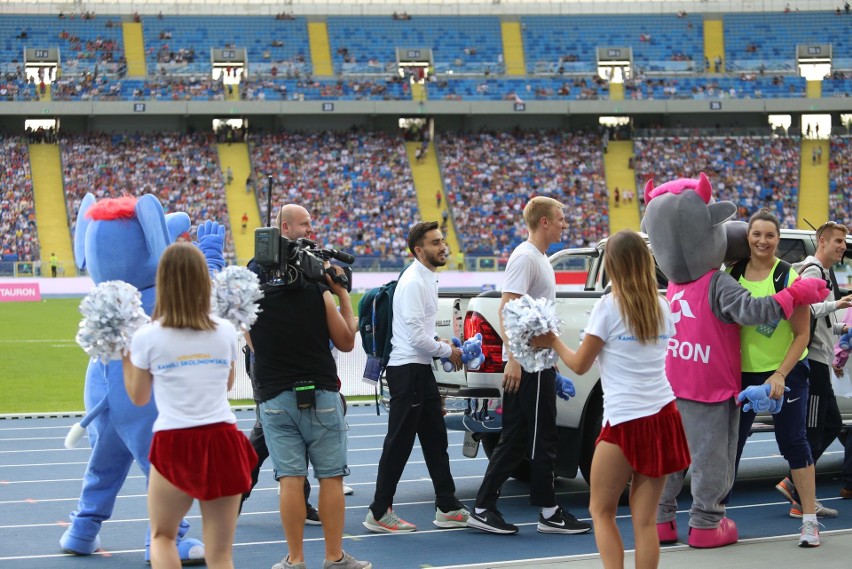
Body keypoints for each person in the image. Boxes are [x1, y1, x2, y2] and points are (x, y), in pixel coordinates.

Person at [531, 229, 690, 569]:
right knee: (645, 521)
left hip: (624, 420)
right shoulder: (662, 305)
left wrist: (553, 341)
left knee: (601, 512)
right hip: (663, 416)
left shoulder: (608, 306)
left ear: (612, 266)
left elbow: (580, 364)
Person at [248, 204, 369, 569]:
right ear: (286, 228)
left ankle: (295, 559)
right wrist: (341, 294)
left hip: (273, 395)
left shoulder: (252, 285)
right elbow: (347, 341)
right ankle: (334, 557)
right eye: (305, 225)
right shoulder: (318, 286)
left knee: (289, 478)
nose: (311, 230)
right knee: (330, 477)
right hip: (320, 391)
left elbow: (251, 342)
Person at [123, 243, 257, 569]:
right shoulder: (225, 330)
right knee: (221, 553)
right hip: (223, 438)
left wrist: (124, 353)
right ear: (202, 280)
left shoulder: (146, 336)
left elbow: (139, 397)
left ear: (163, 280)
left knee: (163, 537)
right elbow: (226, 385)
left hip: (175, 440)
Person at [467, 196, 591, 536]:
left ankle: (483, 506)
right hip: (528, 365)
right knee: (542, 438)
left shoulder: (539, 258)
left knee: (518, 439)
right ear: (545, 222)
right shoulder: (525, 258)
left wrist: (550, 366)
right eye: (561, 218)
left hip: (538, 364)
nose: (566, 224)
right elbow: (508, 308)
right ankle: (548, 511)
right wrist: (515, 360)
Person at [364, 221, 466, 533]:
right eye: (435, 243)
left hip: (418, 369)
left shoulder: (426, 278)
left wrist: (442, 344)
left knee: (436, 438)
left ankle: (447, 505)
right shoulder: (414, 282)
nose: (442, 246)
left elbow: (422, 332)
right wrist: (448, 352)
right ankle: (379, 511)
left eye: (442, 241)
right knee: (399, 442)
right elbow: (415, 339)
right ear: (419, 250)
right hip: (407, 370)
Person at [730, 209, 821, 547]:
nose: (762, 241)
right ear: (748, 238)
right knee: (730, 445)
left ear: (777, 240)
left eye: (769, 235)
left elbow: (802, 335)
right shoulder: (732, 274)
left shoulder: (788, 278)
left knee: (794, 443)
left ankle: (809, 521)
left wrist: (779, 374)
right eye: (757, 235)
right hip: (742, 374)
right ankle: (715, 514)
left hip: (787, 371)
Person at [775, 221, 851, 518]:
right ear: (821, 241)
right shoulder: (811, 270)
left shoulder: (825, 272)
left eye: (844, 242)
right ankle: (798, 492)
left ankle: (795, 484)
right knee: (815, 429)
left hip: (821, 357)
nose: (843, 246)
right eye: (838, 241)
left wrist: (843, 325)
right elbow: (803, 309)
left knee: (830, 424)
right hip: (812, 360)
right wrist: (838, 304)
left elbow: (823, 322)